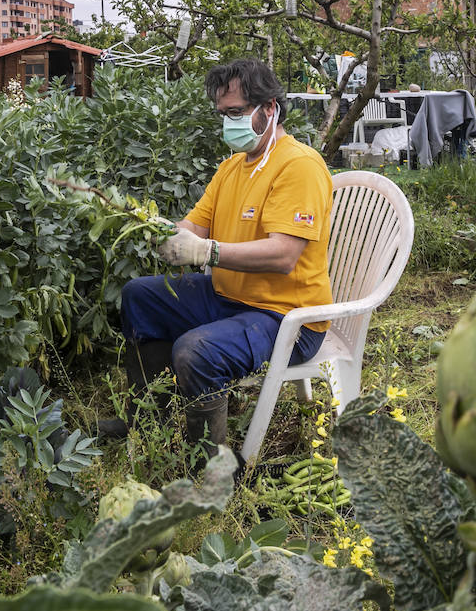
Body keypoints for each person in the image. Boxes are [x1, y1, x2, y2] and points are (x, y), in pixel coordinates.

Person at [100, 58, 333, 455]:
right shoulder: (232, 169)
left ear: (269, 108)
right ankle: (147, 418)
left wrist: (210, 252)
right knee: (141, 295)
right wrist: (158, 230)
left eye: (237, 112)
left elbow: (284, 255)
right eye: (223, 114)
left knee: (196, 350)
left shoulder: (298, 166)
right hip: (230, 297)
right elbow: (194, 226)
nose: (229, 123)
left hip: (287, 317)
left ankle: (208, 464)